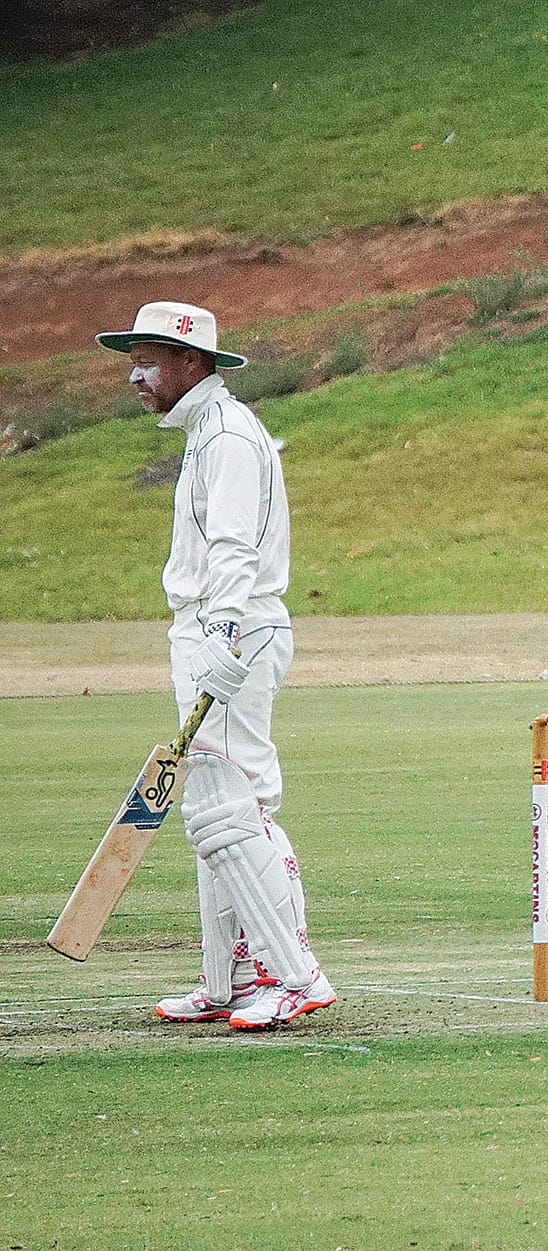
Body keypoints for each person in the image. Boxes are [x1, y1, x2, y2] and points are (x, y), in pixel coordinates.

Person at [96, 301, 337, 1028]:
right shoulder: (207, 433)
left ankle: (295, 974)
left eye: (151, 358)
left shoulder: (230, 436)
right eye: (133, 358)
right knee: (212, 807)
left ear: (192, 362)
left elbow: (234, 549)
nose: (137, 373)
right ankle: (224, 977)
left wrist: (221, 637)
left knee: (231, 808)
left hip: (231, 632)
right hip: (209, 632)